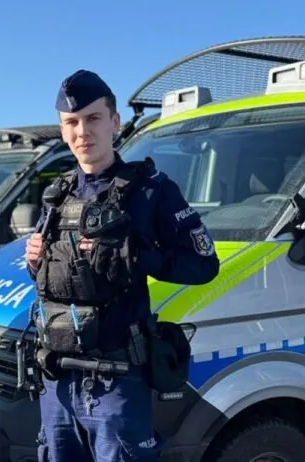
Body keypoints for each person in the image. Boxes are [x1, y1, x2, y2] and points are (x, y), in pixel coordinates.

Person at [25, 70, 220, 462]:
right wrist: (36, 260)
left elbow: (204, 266)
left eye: (94, 119)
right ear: (63, 132)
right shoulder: (56, 195)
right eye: (72, 123)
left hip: (115, 382)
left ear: (114, 123)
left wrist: (134, 253)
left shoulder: (151, 191)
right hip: (58, 379)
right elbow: (56, 281)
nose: (83, 132)